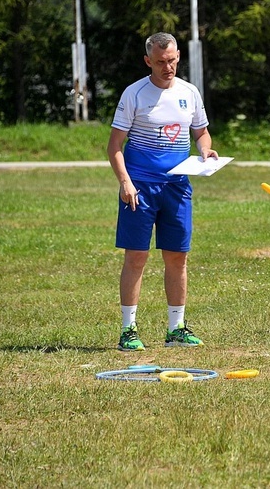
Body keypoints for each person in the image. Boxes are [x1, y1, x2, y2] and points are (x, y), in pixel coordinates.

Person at [107, 32, 218, 351]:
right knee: (137, 257)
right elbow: (115, 146)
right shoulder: (135, 94)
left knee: (177, 257)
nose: (167, 67)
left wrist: (206, 150)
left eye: (171, 60)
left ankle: (176, 328)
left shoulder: (190, 92)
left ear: (178, 56)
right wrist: (125, 182)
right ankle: (129, 330)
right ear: (148, 61)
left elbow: (202, 133)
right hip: (139, 187)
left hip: (178, 187)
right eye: (159, 62)